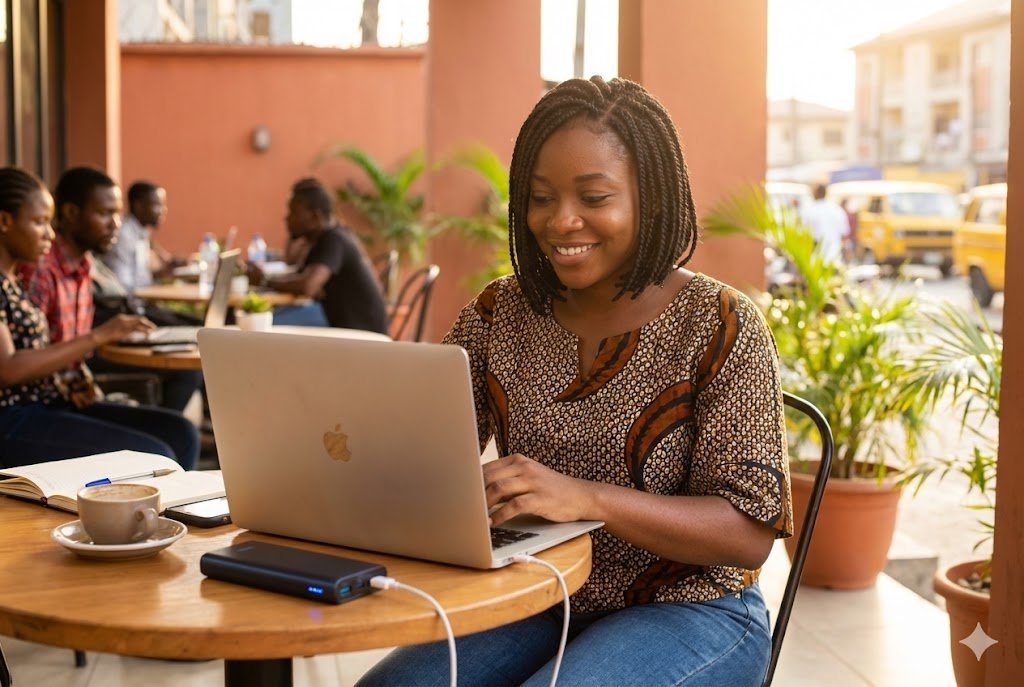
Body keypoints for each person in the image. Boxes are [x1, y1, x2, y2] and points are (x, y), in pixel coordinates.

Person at [357, 77, 791, 686]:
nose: (561, 221)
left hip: (692, 607)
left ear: (652, 200)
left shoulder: (719, 323)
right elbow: (424, 449)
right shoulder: (498, 313)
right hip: (538, 591)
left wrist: (587, 498)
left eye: (594, 197)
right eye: (540, 197)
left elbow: (749, 535)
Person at [0, 166, 199, 469]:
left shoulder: (14, 278)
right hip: (14, 417)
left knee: (180, 432)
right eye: (40, 222)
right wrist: (99, 335)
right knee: (156, 457)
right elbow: (9, 369)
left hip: (50, 401)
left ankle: (175, 513)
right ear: (5, 221)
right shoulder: (32, 273)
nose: (50, 234)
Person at [247, 178, 389, 333]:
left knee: (259, 325)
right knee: (264, 320)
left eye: (293, 212)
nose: (287, 218)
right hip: (342, 325)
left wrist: (263, 280)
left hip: (361, 334)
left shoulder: (334, 240)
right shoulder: (323, 239)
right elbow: (294, 266)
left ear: (315, 217)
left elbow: (308, 286)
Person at [99, 180, 182, 293]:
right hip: (130, 305)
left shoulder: (140, 232)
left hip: (142, 299)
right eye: (157, 205)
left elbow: (140, 278)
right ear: (139, 206)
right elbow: (123, 286)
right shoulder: (124, 235)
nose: (163, 210)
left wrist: (165, 272)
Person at [801, 182, 850, 265]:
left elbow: (802, 233)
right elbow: (844, 233)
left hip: (815, 258)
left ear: (815, 193)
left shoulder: (809, 210)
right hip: (834, 257)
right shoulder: (836, 209)